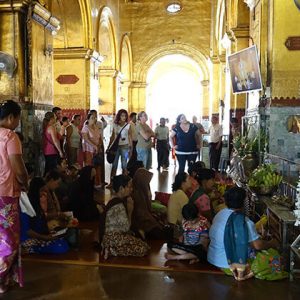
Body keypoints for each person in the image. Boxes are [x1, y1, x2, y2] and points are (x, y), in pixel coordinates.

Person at [208, 187, 279, 281]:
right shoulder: (244, 222)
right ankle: (247, 273)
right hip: (227, 264)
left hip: (213, 258)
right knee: (275, 258)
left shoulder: (220, 214)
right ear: (243, 204)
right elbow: (257, 245)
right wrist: (272, 243)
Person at [0, 100, 28, 293]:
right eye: (18, 118)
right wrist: (25, 181)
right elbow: (18, 167)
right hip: (6, 194)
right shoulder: (10, 136)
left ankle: (4, 282)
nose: (17, 122)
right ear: (11, 117)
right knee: (11, 240)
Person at [98, 175, 150, 259]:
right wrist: (130, 211)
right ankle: (110, 250)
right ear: (121, 188)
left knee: (141, 242)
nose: (131, 189)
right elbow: (126, 228)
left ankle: (109, 249)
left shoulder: (114, 199)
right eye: (129, 187)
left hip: (110, 237)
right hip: (113, 239)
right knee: (143, 248)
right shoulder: (118, 205)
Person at [20, 177, 69, 254]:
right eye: (41, 190)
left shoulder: (36, 202)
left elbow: (40, 220)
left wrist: (49, 234)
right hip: (28, 239)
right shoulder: (25, 205)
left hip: (39, 236)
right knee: (59, 247)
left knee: (63, 243)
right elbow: (28, 231)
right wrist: (45, 238)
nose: (43, 193)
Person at [131, 168, 165, 239]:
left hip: (146, 218)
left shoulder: (142, 189)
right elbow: (141, 214)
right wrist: (155, 222)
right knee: (160, 232)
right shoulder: (136, 194)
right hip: (140, 223)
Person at [107, 109, 132, 188]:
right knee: (114, 165)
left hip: (125, 147)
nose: (123, 117)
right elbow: (112, 137)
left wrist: (131, 149)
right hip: (116, 147)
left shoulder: (128, 126)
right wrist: (109, 146)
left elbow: (130, 137)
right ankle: (111, 182)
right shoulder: (115, 125)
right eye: (122, 115)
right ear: (119, 116)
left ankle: (125, 183)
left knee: (124, 166)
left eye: (125, 116)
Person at [81, 113, 103, 188]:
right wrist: (94, 146)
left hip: (96, 150)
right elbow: (86, 139)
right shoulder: (85, 128)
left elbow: (99, 138)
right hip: (89, 150)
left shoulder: (96, 127)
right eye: (92, 118)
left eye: (95, 118)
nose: (94, 119)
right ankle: (89, 183)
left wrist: (99, 146)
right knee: (90, 166)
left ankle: (97, 182)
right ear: (88, 119)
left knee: (97, 166)